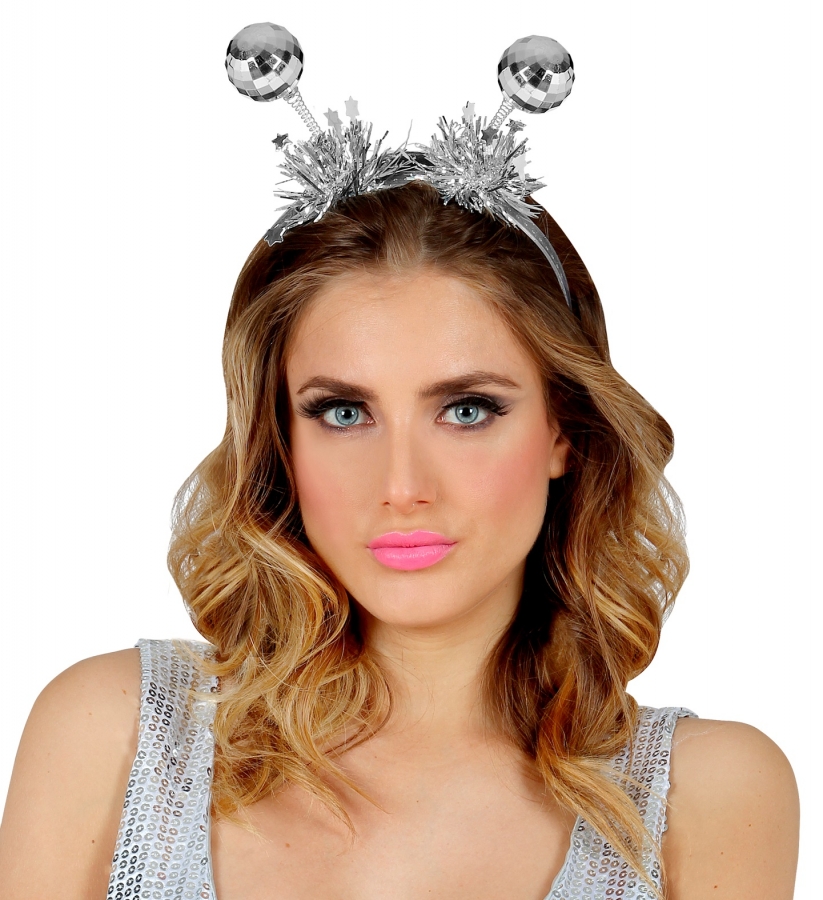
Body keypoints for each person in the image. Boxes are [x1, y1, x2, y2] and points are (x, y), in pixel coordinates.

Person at [0, 178, 800, 899]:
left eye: (466, 410)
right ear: (280, 440)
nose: (402, 485)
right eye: (344, 413)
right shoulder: (119, 733)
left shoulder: (700, 795)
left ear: (563, 430)